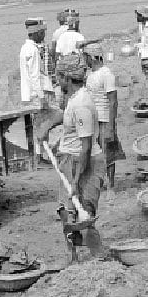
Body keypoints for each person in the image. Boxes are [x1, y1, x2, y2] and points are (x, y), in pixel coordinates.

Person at [36, 53, 106, 258]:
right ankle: (75, 259)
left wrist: (75, 181)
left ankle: (98, 258)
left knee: (85, 213)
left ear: (66, 78)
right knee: (67, 213)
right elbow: (65, 114)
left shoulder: (82, 104)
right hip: (72, 160)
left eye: (58, 77)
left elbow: (85, 147)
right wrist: (47, 127)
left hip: (82, 162)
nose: (57, 81)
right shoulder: (75, 98)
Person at [83, 43, 126, 191]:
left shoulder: (106, 74)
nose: (85, 61)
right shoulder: (90, 75)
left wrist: (111, 125)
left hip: (103, 118)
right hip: (93, 119)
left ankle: (111, 184)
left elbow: (113, 101)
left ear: (92, 58)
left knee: (107, 153)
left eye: (86, 57)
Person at [19, 17, 51, 107]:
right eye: (42, 33)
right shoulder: (33, 50)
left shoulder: (25, 47)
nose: (43, 36)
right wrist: (41, 97)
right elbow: (35, 75)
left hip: (28, 94)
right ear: (36, 33)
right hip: (35, 96)